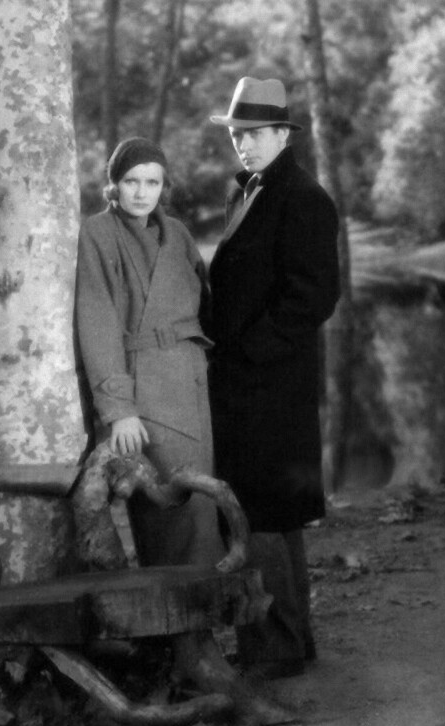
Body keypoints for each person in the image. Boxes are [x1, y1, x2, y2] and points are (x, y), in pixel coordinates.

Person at [208, 77, 341, 679]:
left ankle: (273, 649)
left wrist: (247, 353)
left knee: (262, 513)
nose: (244, 144)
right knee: (269, 514)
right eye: (238, 134)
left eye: (256, 133)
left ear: (284, 134)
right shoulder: (250, 191)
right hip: (250, 384)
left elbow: (314, 296)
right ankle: (289, 641)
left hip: (271, 384)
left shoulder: (303, 197)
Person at [75, 136, 224, 570]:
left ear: (164, 186)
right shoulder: (98, 233)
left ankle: (202, 604)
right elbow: (98, 323)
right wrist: (119, 410)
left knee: (202, 503)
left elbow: (205, 304)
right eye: (131, 181)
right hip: (143, 394)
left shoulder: (177, 234)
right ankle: (174, 606)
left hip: (191, 382)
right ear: (114, 186)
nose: (142, 192)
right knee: (167, 508)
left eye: (152, 182)